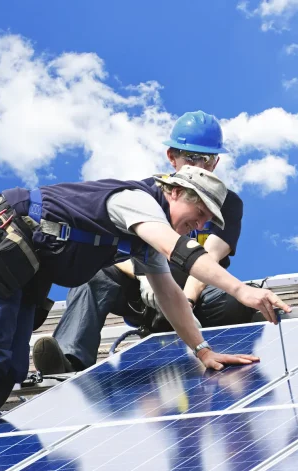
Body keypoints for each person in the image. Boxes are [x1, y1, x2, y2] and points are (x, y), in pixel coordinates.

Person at [0, 163, 289, 440]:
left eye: (204, 224)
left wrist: (203, 351)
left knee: (11, 369)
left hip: (23, 271)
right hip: (0, 247)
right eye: (197, 216)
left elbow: (169, 294)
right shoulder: (136, 202)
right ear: (177, 192)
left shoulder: (144, 241)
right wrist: (242, 290)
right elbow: (177, 250)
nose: (196, 227)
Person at [33, 111, 253, 375]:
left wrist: (187, 300)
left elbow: (210, 256)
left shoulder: (225, 204)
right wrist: (143, 277)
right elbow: (118, 247)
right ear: (172, 158)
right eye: (191, 157)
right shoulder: (147, 194)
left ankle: (218, 348)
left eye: (206, 159)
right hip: (145, 291)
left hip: (193, 294)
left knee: (235, 298)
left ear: (215, 163)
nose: (199, 165)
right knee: (94, 276)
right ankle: (69, 360)